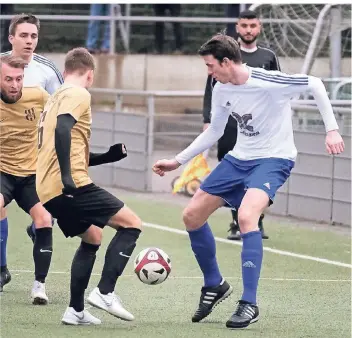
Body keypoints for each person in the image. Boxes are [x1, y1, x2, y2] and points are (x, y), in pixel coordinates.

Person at [153, 34, 344, 329]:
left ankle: (249, 302)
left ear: (227, 62)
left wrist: (331, 130)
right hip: (238, 158)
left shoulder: (269, 81)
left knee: (246, 215)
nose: (209, 72)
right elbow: (214, 131)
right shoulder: (220, 87)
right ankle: (214, 284)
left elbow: (315, 84)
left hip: (274, 159)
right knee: (191, 215)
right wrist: (177, 161)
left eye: (210, 65)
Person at [36, 47, 142, 325]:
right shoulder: (78, 93)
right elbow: (62, 130)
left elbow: (68, 145)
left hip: (47, 189)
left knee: (93, 237)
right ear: (90, 74)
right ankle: (105, 292)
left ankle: (75, 310)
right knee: (132, 224)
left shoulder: (55, 97)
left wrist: (107, 156)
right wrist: (69, 179)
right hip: (68, 186)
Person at [203, 10, 281, 241]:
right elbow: (210, 89)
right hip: (229, 126)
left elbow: (278, 90)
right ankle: (238, 221)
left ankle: (256, 221)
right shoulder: (224, 56)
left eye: (252, 25)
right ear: (237, 27)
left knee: (258, 174)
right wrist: (207, 120)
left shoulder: (268, 56)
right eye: (244, 25)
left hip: (259, 129)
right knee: (234, 175)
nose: (248, 30)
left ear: (259, 27)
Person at [0, 13, 63, 293]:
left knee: (46, 219)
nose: (29, 41)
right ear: (11, 38)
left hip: (37, 164)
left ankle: (39, 281)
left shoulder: (46, 71)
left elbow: (64, 109)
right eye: (23, 35)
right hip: (5, 164)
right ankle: (2, 270)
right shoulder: (1, 65)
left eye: (33, 36)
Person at [0, 55, 53, 304]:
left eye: (19, 79)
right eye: (8, 79)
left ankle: (39, 286)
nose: (14, 84)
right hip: (2, 173)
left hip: (31, 176)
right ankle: (2, 269)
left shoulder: (39, 96)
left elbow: (61, 121)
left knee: (44, 220)